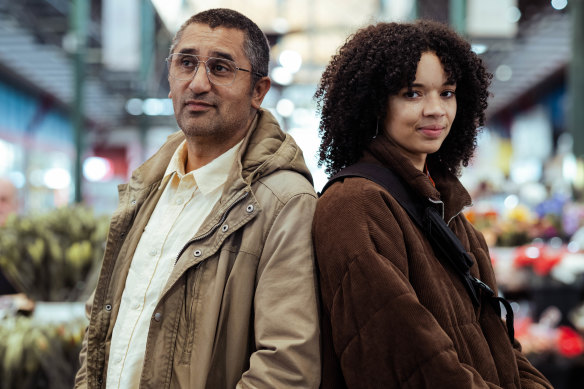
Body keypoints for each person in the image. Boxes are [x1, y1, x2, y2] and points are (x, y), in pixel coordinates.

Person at [75, 8, 320, 389]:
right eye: (186, 63)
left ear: (258, 91)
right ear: (170, 77)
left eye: (221, 68)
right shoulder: (148, 186)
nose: (198, 83)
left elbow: (286, 368)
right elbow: (101, 324)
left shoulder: (283, 202)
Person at [313, 20, 552, 388]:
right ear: (375, 104)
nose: (436, 110)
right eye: (412, 93)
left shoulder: (446, 205)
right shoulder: (355, 205)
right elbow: (410, 362)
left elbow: (503, 345)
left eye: (447, 92)